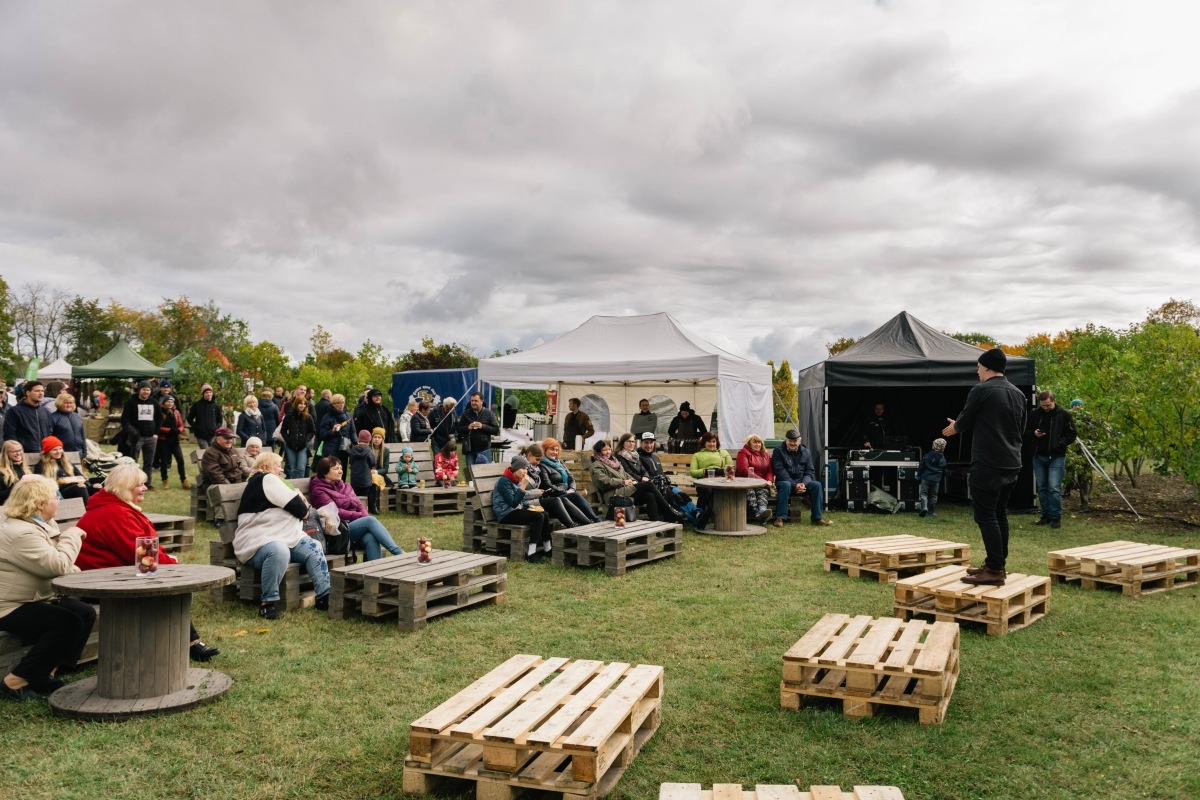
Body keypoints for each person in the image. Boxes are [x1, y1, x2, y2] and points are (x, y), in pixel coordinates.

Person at [74, 465, 218, 661]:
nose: (145, 488)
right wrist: (176, 568)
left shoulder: (117, 508)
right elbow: (144, 556)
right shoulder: (116, 515)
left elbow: (146, 548)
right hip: (99, 584)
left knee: (164, 586)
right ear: (124, 488)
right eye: (139, 485)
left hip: (113, 575)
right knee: (165, 590)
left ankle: (189, 643)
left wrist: (168, 560)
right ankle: (189, 644)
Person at [0, 477, 95, 702]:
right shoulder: (21, 533)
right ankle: (14, 682)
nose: (58, 501)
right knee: (66, 622)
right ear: (39, 503)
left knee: (83, 612)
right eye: (55, 497)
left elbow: (48, 564)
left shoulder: (35, 523)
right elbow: (58, 565)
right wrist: (72, 534)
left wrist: (69, 570)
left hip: (33, 597)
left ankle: (45, 673)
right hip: (8, 605)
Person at [942, 348, 1027, 587]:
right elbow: (1021, 428)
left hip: (989, 462)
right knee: (999, 513)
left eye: (979, 367)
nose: (977, 371)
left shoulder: (981, 390)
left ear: (987, 367)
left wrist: (955, 427)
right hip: (1012, 462)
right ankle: (995, 564)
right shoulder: (1018, 393)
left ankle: (995, 570)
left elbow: (966, 420)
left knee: (986, 515)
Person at [234, 453, 329, 620]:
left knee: (314, 547)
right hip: (259, 542)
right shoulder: (265, 479)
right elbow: (299, 507)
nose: (282, 469)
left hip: (287, 536)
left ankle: (324, 596)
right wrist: (304, 510)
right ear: (266, 467)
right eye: (278, 465)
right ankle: (267, 604)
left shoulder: (270, 482)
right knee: (279, 550)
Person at [310, 457, 403, 561]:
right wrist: (362, 517)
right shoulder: (318, 490)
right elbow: (335, 512)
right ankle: (399, 553)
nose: (340, 471)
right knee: (370, 520)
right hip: (338, 531)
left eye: (341, 468)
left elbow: (359, 505)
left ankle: (374, 574)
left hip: (353, 525)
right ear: (325, 472)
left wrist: (363, 515)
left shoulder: (345, 486)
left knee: (370, 538)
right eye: (336, 468)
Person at [1026, 389, 1077, 529]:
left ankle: (1056, 517)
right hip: (1038, 455)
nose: (1046, 408)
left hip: (1056, 456)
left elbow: (1072, 433)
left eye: (1048, 405)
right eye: (1043, 405)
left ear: (1054, 401)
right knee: (1042, 488)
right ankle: (1046, 515)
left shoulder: (1064, 415)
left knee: (1053, 488)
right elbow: (1025, 431)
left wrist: (1060, 443)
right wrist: (1034, 433)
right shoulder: (1035, 414)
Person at [492, 455, 553, 563]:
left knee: (544, 513)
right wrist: (524, 485)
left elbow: (520, 501)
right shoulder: (504, 481)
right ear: (515, 468)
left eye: (526, 469)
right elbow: (513, 502)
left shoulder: (516, 479)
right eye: (523, 468)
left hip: (514, 511)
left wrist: (528, 506)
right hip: (505, 514)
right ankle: (531, 553)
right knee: (538, 517)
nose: (525, 472)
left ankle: (547, 548)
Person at [770, 429, 831, 528]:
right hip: (785, 482)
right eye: (790, 441)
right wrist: (795, 485)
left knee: (817, 485)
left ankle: (817, 518)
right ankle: (780, 517)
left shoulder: (806, 452)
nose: (792, 443)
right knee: (785, 484)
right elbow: (779, 471)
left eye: (795, 441)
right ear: (786, 440)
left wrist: (804, 483)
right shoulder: (778, 451)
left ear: (799, 441)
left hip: (801, 482)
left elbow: (809, 471)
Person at [614, 433, 678, 522]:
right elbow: (628, 472)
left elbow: (644, 470)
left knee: (652, 494)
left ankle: (656, 524)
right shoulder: (619, 456)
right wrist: (641, 479)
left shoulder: (635, 455)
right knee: (651, 485)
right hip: (628, 487)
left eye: (633, 441)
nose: (631, 443)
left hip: (637, 485)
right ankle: (669, 511)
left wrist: (645, 476)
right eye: (629, 441)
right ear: (622, 443)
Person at [538, 438, 601, 525]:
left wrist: (571, 489)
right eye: (552, 449)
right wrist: (565, 492)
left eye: (557, 450)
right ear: (545, 450)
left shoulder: (559, 462)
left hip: (566, 493)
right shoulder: (542, 465)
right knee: (576, 496)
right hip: (554, 497)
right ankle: (593, 520)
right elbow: (547, 485)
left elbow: (571, 478)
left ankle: (591, 521)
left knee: (575, 495)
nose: (555, 452)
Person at [688, 432, 734, 528]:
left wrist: (723, 471)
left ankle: (711, 515)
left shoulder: (723, 453)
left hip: (720, 480)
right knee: (707, 491)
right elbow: (693, 472)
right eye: (709, 441)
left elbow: (731, 468)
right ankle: (700, 514)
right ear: (704, 442)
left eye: (714, 441)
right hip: (703, 481)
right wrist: (705, 471)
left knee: (720, 490)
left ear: (717, 442)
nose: (712, 444)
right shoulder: (697, 455)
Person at [120, 381, 162, 481]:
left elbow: (159, 418)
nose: (146, 392)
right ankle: (132, 482)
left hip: (151, 437)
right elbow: (124, 420)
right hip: (136, 437)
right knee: (133, 462)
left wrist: (156, 433)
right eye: (144, 389)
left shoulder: (154, 403)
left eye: (148, 390)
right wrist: (132, 432)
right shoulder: (131, 402)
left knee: (149, 463)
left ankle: (147, 483)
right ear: (139, 390)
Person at [4, 379, 53, 454]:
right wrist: (17, 451)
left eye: (42, 391)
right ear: (28, 393)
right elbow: (10, 434)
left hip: (44, 453)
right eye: (37, 391)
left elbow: (50, 431)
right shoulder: (15, 411)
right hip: (24, 454)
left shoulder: (45, 411)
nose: (41, 393)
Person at [735, 434, 774, 522]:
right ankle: (759, 515)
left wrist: (769, 480)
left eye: (759, 442)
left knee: (763, 491)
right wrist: (762, 480)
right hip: (746, 482)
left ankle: (762, 510)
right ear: (749, 444)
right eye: (754, 442)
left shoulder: (765, 454)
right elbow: (743, 469)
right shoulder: (743, 452)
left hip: (762, 483)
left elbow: (770, 471)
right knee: (750, 492)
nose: (757, 444)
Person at [39, 437, 91, 502]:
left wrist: (86, 484)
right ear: (48, 452)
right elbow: (46, 485)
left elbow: (80, 476)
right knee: (80, 488)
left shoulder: (66, 462)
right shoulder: (42, 465)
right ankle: (89, 511)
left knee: (96, 487)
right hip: (60, 493)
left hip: (76, 487)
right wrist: (71, 481)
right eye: (54, 450)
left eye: (60, 449)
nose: (58, 452)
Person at [154, 396, 190, 489]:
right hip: (163, 440)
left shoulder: (176, 412)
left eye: (171, 402)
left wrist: (179, 430)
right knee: (164, 462)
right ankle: (164, 480)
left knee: (180, 460)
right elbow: (158, 426)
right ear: (164, 403)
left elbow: (181, 424)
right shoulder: (160, 412)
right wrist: (169, 430)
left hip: (174, 440)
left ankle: (183, 480)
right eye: (168, 402)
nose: (170, 404)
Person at [456, 392, 500, 467]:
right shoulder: (466, 413)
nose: (473, 403)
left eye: (476, 401)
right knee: (470, 474)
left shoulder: (489, 413)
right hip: (470, 450)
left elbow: (496, 430)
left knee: (484, 474)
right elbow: (458, 429)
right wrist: (468, 427)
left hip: (484, 449)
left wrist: (483, 426)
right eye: (472, 401)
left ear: (482, 401)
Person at [280, 395, 317, 479]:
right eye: (300, 403)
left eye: (304, 404)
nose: (302, 406)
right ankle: (294, 487)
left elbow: (313, 430)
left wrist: (306, 440)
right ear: (296, 404)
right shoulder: (289, 417)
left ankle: (299, 486)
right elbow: (283, 431)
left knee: (301, 468)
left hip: (303, 446)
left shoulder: (308, 417)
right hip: (290, 445)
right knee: (293, 468)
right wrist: (288, 440)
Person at [318, 394, 355, 470]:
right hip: (331, 450)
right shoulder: (327, 417)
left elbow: (353, 432)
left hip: (344, 448)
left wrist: (356, 443)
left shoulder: (348, 416)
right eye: (338, 403)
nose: (341, 405)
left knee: (342, 472)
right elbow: (322, 435)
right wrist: (332, 431)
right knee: (332, 472)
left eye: (342, 402)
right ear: (333, 404)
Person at [50, 393, 86, 464]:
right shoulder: (52, 418)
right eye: (66, 403)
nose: (69, 405)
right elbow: (50, 436)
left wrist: (84, 452)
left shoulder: (77, 417)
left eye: (71, 403)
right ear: (60, 403)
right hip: (62, 454)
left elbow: (82, 435)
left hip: (78, 453)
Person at [347, 431, 378, 512]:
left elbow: (350, 462)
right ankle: (364, 510)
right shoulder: (368, 450)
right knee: (364, 497)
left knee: (355, 496)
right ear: (368, 441)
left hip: (355, 479)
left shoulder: (353, 449)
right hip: (365, 479)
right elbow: (373, 462)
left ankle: (355, 510)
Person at [917, 438, 947, 518]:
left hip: (926, 477)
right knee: (933, 495)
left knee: (924, 494)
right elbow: (944, 469)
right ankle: (932, 511)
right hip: (936, 479)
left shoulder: (927, 456)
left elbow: (921, 466)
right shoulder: (942, 458)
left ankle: (924, 507)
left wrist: (918, 475)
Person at [186, 384, 223, 449]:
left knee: (212, 452)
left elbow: (219, 419)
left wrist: (216, 427)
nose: (208, 394)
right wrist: (196, 427)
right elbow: (189, 419)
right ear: (203, 394)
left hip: (213, 434)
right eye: (206, 392)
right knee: (205, 452)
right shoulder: (197, 405)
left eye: (210, 392)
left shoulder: (216, 406)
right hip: (200, 435)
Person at [0, 440, 30, 505]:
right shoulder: (1, 471)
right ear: (6, 453)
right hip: (8, 505)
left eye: (20, 450)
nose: (18, 453)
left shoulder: (24, 468)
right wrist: (17, 487)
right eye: (14, 451)